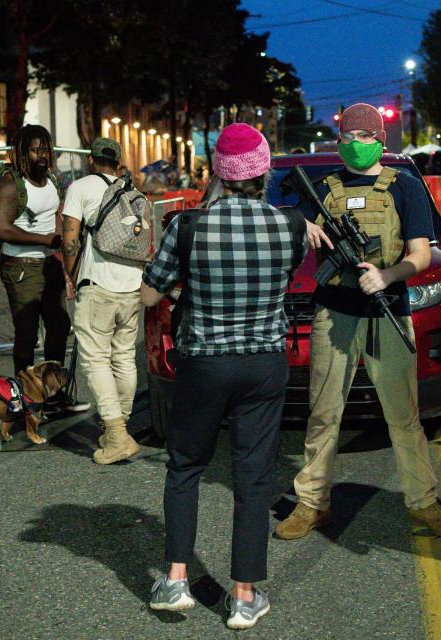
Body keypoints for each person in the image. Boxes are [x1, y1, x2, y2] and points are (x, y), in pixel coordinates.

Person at [274, 103, 441, 541]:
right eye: (346, 137)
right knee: (323, 413)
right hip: (334, 312)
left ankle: (422, 502)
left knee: (404, 414)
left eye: (363, 137)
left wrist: (387, 275)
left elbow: (419, 252)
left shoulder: (405, 187)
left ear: (380, 139)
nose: (353, 145)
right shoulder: (322, 187)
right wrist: (300, 222)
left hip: (388, 310)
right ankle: (311, 503)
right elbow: (280, 215)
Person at [141, 123, 306, 630]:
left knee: (186, 466)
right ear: (263, 171)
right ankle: (244, 595)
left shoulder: (187, 228)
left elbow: (149, 295)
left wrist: (182, 295)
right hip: (263, 362)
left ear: (217, 172)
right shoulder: (290, 225)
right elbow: (288, 272)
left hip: (204, 362)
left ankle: (174, 580)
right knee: (252, 477)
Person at [0, 124, 87, 411]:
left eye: (45, 149)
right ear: (22, 153)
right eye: (35, 150)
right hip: (21, 265)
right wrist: (45, 239)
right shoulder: (9, 184)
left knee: (59, 324)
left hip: (48, 262)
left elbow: (54, 217)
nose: (42, 155)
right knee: (27, 333)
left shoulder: (50, 180)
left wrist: (63, 249)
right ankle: (23, 398)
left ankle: (53, 392)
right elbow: (1, 228)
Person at [61, 138, 142, 464]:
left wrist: (71, 275)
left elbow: (70, 239)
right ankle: (117, 430)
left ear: (92, 159)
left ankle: (117, 434)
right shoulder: (132, 190)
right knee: (123, 358)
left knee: (95, 360)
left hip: (97, 284)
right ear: (118, 161)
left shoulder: (80, 188)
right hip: (132, 284)